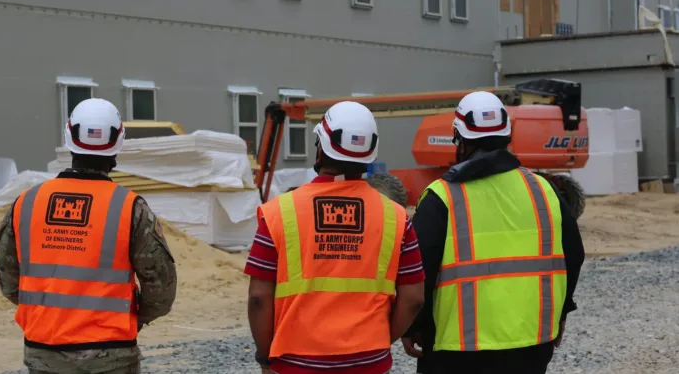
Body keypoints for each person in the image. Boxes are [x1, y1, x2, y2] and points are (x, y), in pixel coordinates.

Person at [401, 91, 586, 374]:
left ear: (459, 140)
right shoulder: (543, 190)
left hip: (457, 349)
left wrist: (416, 326)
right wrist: (560, 314)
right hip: (532, 344)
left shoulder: (442, 197)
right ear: (507, 136)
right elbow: (573, 256)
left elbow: (421, 270)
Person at [0, 98, 177, 374]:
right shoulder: (130, 208)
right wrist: (131, 318)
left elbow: (9, 283)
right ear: (119, 143)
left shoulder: (26, 203)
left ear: (69, 138)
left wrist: (49, 314)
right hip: (111, 356)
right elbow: (161, 289)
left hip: (44, 353)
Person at [245, 101, 426, 374]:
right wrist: (378, 341)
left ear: (321, 146)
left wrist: (264, 357)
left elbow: (259, 297)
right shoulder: (397, 218)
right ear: (370, 152)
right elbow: (413, 299)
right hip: (369, 362)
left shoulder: (278, 214)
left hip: (294, 363)